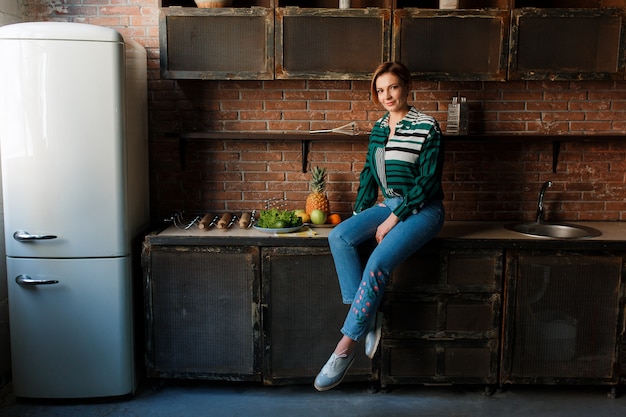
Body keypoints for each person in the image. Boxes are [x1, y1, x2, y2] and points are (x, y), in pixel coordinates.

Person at [313, 62, 445, 392]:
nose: (386, 95)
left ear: (407, 87)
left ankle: (345, 348)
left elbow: (428, 183)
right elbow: (369, 175)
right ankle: (368, 314)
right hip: (386, 205)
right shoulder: (379, 126)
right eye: (380, 90)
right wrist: (360, 214)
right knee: (341, 236)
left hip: (423, 210)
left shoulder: (428, 127)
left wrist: (391, 218)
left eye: (393, 87)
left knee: (377, 263)